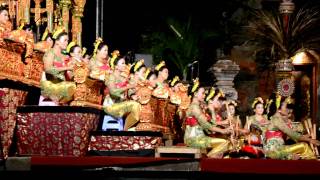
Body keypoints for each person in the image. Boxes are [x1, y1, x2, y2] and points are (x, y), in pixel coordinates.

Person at [184, 78, 231, 158]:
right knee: (224, 143)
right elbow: (206, 125)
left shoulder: (199, 107)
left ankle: (210, 161)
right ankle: (207, 160)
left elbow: (210, 122)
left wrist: (224, 127)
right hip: (193, 139)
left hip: (200, 137)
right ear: (195, 94)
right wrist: (222, 131)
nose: (204, 95)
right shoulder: (194, 107)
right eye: (202, 93)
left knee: (227, 145)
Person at [264, 93, 320, 160]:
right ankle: (314, 164)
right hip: (274, 151)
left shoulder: (278, 119)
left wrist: (306, 137)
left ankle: (312, 163)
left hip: (279, 148)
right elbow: (292, 134)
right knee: (303, 146)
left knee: (303, 147)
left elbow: (292, 136)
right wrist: (310, 140)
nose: (287, 110)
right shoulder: (276, 120)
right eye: (285, 107)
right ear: (279, 110)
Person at [104, 56, 141, 130]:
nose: (125, 65)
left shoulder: (123, 78)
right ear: (116, 66)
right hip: (111, 105)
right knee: (135, 105)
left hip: (120, 104)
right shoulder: (112, 77)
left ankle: (126, 129)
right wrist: (128, 87)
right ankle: (125, 130)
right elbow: (113, 91)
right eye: (123, 63)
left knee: (138, 106)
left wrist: (133, 96)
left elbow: (130, 90)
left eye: (125, 63)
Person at [40, 27, 76, 104]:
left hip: (63, 85)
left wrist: (75, 70)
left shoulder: (65, 56)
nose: (67, 43)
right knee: (71, 87)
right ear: (57, 42)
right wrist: (66, 67)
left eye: (67, 40)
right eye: (65, 40)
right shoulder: (50, 53)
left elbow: (69, 76)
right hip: (51, 84)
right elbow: (48, 69)